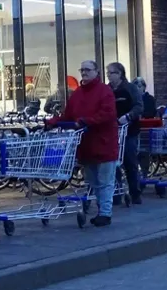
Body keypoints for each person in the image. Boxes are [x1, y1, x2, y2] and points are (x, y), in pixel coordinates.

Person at [48, 61, 118, 227]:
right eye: (82, 70)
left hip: (104, 143)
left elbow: (108, 114)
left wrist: (87, 121)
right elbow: (68, 115)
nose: (84, 73)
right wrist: (52, 121)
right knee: (93, 182)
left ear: (96, 72)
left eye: (88, 69)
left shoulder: (104, 91)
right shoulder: (78, 93)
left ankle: (105, 213)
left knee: (105, 181)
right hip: (86, 145)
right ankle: (102, 211)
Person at [108, 62, 143, 205]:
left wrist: (128, 116)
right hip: (112, 131)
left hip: (129, 130)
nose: (109, 76)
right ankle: (116, 195)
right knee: (113, 163)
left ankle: (135, 193)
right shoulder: (107, 90)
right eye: (108, 73)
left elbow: (139, 106)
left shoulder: (130, 88)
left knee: (129, 161)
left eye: (111, 73)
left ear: (120, 74)